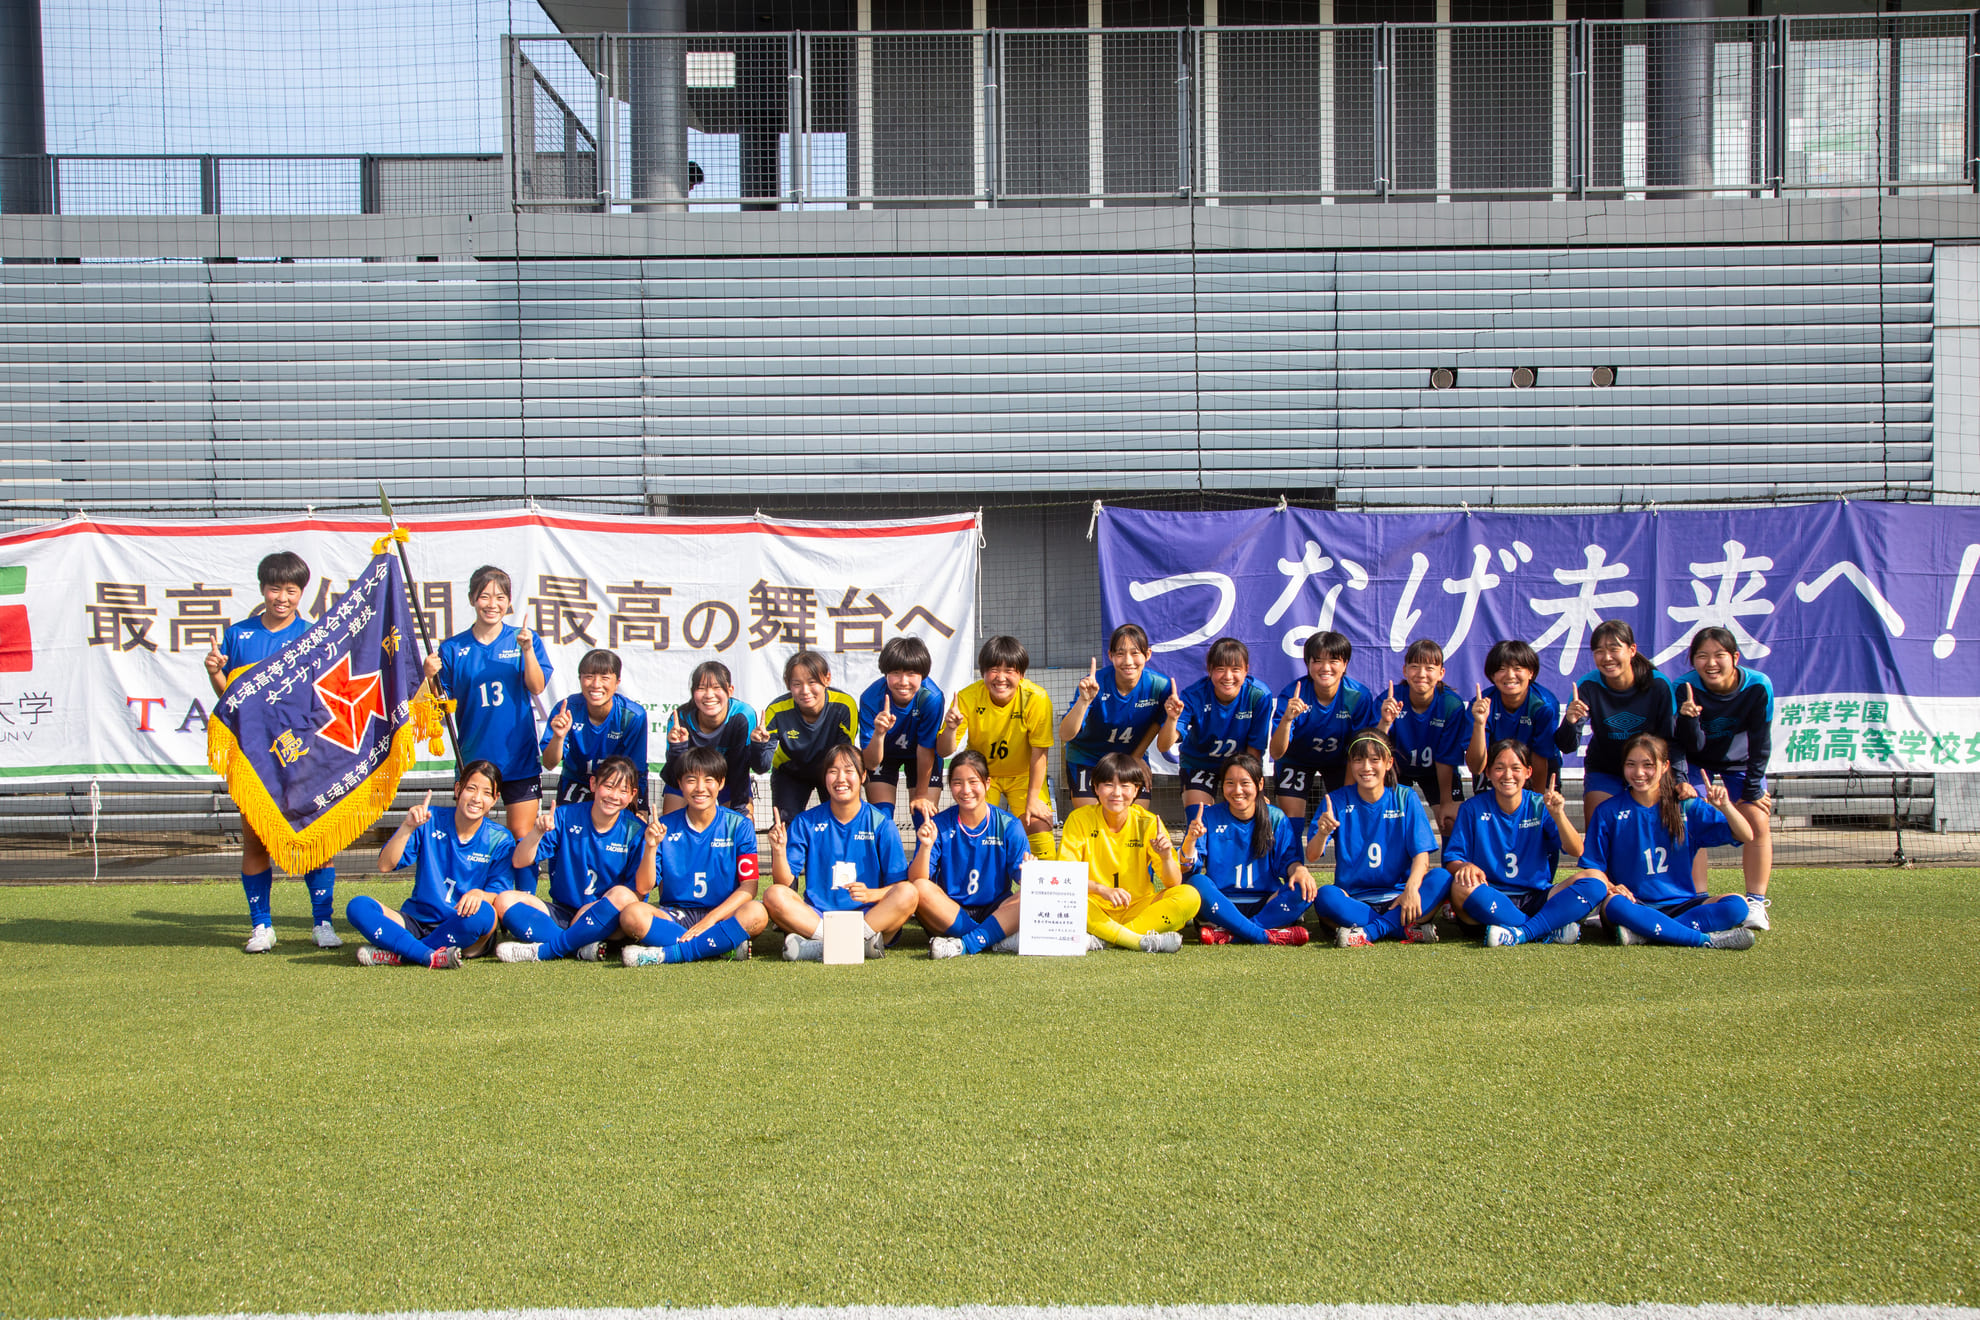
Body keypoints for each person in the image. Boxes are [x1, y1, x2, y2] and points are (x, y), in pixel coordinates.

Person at [205, 549, 341, 953]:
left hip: (304, 754)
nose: (282, 597)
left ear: (302, 593)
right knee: (255, 840)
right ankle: (261, 926)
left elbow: (324, 697)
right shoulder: (239, 636)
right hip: (256, 758)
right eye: (274, 588)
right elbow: (232, 701)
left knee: (317, 839)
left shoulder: (313, 636)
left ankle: (322, 923)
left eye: (291, 590)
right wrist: (215, 672)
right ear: (262, 589)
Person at [1576, 734, 1760, 950]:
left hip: (1682, 904)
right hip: (1635, 905)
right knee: (1614, 906)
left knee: (1737, 906)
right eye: (1631, 765)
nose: (1639, 773)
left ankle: (1646, 933)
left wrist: (1726, 806)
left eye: (1648, 765)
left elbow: (1745, 835)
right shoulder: (1608, 812)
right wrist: (1611, 887)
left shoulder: (1685, 806)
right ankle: (1703, 940)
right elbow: (1592, 867)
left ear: (1665, 766)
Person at [425, 565, 553, 841]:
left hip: (519, 758)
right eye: (484, 596)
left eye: (500, 597)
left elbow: (537, 686)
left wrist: (528, 650)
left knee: (522, 835)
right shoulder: (452, 648)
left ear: (508, 602)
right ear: (472, 599)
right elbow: (440, 703)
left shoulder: (523, 639)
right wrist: (429, 676)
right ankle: (476, 887)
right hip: (475, 759)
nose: (492, 604)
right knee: (471, 835)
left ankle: (522, 888)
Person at [349, 762, 513, 968]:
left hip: (462, 923)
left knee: (485, 914)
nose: (477, 798)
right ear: (457, 789)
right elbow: (384, 865)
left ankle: (403, 953)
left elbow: (500, 894)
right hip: (416, 922)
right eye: (471, 788)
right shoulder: (429, 819)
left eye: (486, 793)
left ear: (494, 800)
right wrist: (407, 827)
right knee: (359, 906)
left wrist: (480, 894)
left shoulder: (500, 839)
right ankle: (428, 955)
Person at [763, 743, 918, 961]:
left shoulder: (881, 823)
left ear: (863, 776)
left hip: (870, 917)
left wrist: (871, 894)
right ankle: (853, 945)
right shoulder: (806, 822)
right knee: (773, 895)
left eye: (848, 771)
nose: (840, 779)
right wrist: (778, 851)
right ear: (825, 778)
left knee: (909, 894)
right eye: (833, 772)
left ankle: (821, 947)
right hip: (819, 917)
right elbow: (784, 882)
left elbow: (900, 887)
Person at [493, 756, 656, 963]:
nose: (614, 796)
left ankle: (547, 949)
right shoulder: (564, 816)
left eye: (623, 791)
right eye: (608, 786)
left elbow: (639, 893)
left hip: (604, 916)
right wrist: (537, 832)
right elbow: (519, 861)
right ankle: (579, 945)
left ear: (633, 795)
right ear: (594, 784)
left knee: (624, 896)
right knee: (504, 900)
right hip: (562, 912)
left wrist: (594, 909)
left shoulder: (636, 830)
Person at [1444, 739, 1604, 947]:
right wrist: (1464, 865)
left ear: (1528, 772)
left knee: (1596, 879)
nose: (1508, 775)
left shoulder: (1540, 805)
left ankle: (1521, 932)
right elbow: (1452, 859)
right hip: (1491, 895)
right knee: (1459, 887)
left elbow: (1576, 850)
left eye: (1515, 768)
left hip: (1536, 898)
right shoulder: (1472, 808)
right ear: (1489, 773)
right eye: (1499, 768)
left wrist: (1558, 814)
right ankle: (1542, 929)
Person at [620, 745, 769, 966]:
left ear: (721, 783)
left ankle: (668, 954)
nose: (700, 788)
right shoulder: (664, 827)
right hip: (675, 916)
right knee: (631, 915)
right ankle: (718, 946)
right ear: (680, 785)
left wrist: (710, 920)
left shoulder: (740, 825)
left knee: (757, 913)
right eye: (691, 780)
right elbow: (643, 888)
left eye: (709, 780)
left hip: (722, 915)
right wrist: (651, 848)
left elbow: (749, 887)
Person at [1304, 730, 1452, 948]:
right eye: (1358, 760)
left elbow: (1422, 856)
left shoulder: (1405, 797)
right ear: (1351, 764)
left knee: (1441, 877)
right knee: (1326, 895)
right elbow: (1312, 855)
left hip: (1400, 899)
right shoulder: (1335, 800)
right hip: (1355, 901)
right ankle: (1405, 929)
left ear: (1389, 763)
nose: (1366, 767)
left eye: (1374, 760)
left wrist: (1411, 889)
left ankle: (1368, 932)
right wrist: (1322, 833)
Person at [1674, 626, 1775, 917]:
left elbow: (1761, 741)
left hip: (1740, 763)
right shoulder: (1683, 687)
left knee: (1757, 818)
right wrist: (1681, 781)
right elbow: (1678, 743)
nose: (1711, 663)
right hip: (1695, 762)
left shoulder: (1758, 685)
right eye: (1702, 656)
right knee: (1690, 814)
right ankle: (1696, 900)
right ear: (1693, 660)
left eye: (1719, 655)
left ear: (1735, 657)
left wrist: (1754, 789)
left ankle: (1755, 902)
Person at [1058, 752, 1198, 953]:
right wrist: (1103, 890)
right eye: (1108, 784)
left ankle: (1109, 938)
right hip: (1094, 907)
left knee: (1190, 895)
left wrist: (1167, 856)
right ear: (1096, 788)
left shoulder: (1148, 822)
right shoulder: (1079, 819)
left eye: (1125, 786)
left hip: (1137, 908)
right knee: (1067, 902)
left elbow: (1173, 883)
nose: (1116, 792)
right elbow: (1066, 877)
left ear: (1136, 790)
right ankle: (1135, 940)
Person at [937, 634, 1057, 861]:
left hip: (1023, 775)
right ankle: (972, 885)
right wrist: (951, 729)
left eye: (1009, 670)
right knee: (973, 828)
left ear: (1021, 675)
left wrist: (1033, 798)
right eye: (993, 669)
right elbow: (944, 751)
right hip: (982, 776)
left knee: (1038, 824)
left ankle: (1045, 889)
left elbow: (1040, 754)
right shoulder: (967, 697)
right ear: (983, 672)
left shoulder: (1036, 698)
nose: (1000, 677)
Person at [1178, 753, 1316, 946]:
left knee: (1304, 886)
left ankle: (1232, 934)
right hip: (1223, 905)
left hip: (1266, 904)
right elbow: (1187, 868)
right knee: (1197, 883)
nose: (1237, 790)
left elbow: (1289, 862)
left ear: (1259, 785)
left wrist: (1300, 869)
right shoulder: (1209, 816)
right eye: (1230, 783)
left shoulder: (1275, 817)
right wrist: (1190, 841)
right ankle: (1263, 935)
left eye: (1245, 783)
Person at [909, 750, 1031, 958]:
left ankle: (964, 944)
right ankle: (990, 938)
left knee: (1030, 895)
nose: (966, 790)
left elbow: (1023, 880)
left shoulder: (1009, 825)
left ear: (987, 783)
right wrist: (926, 847)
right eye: (957, 783)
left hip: (995, 910)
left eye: (973, 782)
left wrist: (1029, 872)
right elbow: (917, 880)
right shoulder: (939, 824)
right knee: (920, 888)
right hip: (950, 912)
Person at [1555, 619, 1680, 818]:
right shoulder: (1586, 686)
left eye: (1614, 649)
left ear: (1632, 650)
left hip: (1648, 772)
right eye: (1599, 651)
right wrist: (1570, 721)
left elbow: (1671, 740)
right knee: (1600, 829)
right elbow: (1567, 746)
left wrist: (1678, 781)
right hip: (1605, 769)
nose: (1607, 657)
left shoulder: (1658, 684)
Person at [1267, 630, 1378, 832]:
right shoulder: (1293, 693)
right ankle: (1293, 863)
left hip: (1340, 761)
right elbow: (1276, 753)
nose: (1325, 668)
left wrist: (1346, 796)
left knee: (1345, 816)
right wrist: (1287, 720)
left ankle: (1347, 863)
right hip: (1296, 760)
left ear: (1344, 665)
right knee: (1291, 822)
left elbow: (1359, 751)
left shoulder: (1358, 695)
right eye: (1317, 661)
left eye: (1334, 661)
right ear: (1308, 664)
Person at [1058, 624, 1174, 810]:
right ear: (1110, 656)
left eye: (1135, 653)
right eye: (1120, 653)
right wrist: (1083, 701)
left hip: (1129, 759)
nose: (1128, 661)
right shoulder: (1095, 683)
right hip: (1087, 758)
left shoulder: (1159, 685)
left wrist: (1137, 756)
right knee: (1091, 820)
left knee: (1137, 818)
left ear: (1148, 654)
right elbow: (1065, 734)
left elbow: (1157, 723)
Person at [1160, 636, 1275, 811]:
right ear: (1209, 670)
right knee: (1198, 816)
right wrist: (1171, 719)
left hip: (1240, 765)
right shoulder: (1194, 695)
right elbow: (1163, 745)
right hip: (1200, 763)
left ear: (1246, 670)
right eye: (1220, 669)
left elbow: (1255, 748)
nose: (1228, 676)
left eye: (1235, 669)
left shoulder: (1258, 695)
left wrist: (1253, 786)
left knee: (1253, 813)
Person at [1378, 638, 1470, 839]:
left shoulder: (1451, 705)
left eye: (1429, 668)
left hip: (1437, 773)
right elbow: (1374, 749)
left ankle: (1452, 869)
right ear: (1404, 671)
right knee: (1391, 823)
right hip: (1397, 770)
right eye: (1414, 667)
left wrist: (1446, 802)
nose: (1421, 674)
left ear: (1441, 673)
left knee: (1451, 821)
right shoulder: (1390, 699)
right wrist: (1385, 723)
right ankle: (1399, 869)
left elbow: (1446, 758)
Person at [757, 650, 861, 827]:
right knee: (785, 827)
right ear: (788, 685)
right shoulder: (776, 710)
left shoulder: (844, 706)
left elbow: (845, 757)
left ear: (827, 679)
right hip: (790, 772)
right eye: (797, 684)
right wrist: (758, 745)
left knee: (842, 823)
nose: (805, 691)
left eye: (812, 682)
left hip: (832, 770)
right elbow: (761, 767)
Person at [540, 648, 649, 810]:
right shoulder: (566, 710)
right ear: (580, 679)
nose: (596, 684)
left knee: (630, 830)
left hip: (617, 786)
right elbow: (549, 763)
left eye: (605, 677)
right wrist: (558, 737)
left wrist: (639, 810)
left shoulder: (632, 716)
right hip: (576, 782)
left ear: (617, 681)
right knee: (570, 831)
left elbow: (635, 771)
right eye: (589, 677)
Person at [660, 660, 767, 815]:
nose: (709, 695)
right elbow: (672, 776)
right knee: (670, 829)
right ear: (693, 692)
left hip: (730, 780)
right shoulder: (679, 718)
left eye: (716, 688)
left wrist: (739, 812)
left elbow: (742, 767)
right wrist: (677, 749)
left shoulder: (743, 715)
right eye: (701, 688)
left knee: (742, 826)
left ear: (730, 691)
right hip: (688, 779)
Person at [859, 635, 945, 820]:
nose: (903, 681)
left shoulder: (932, 698)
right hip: (884, 755)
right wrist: (879, 734)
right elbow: (871, 763)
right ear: (885, 673)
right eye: (896, 673)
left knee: (925, 817)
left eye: (911, 673)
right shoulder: (871, 698)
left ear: (923, 674)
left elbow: (926, 748)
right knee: (881, 819)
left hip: (921, 755)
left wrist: (921, 795)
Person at [1465, 639, 1562, 793]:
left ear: (1531, 672)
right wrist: (1479, 723)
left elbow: (1541, 756)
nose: (1510, 675)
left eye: (1517, 668)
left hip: (1535, 768)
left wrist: (1536, 801)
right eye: (1502, 669)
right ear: (1492, 675)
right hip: (1495, 768)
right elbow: (1476, 768)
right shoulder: (1481, 704)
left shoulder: (1544, 705)